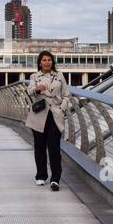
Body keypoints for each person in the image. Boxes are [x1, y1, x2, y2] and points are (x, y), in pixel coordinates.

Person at [25, 50, 70, 190]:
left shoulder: (59, 76)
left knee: (54, 147)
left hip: (55, 114)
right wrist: (37, 89)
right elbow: (29, 90)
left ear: (53, 62)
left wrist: (62, 109)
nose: (47, 62)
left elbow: (67, 95)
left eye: (49, 60)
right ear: (40, 62)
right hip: (39, 114)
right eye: (44, 60)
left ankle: (55, 178)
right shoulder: (34, 76)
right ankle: (41, 175)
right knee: (39, 146)